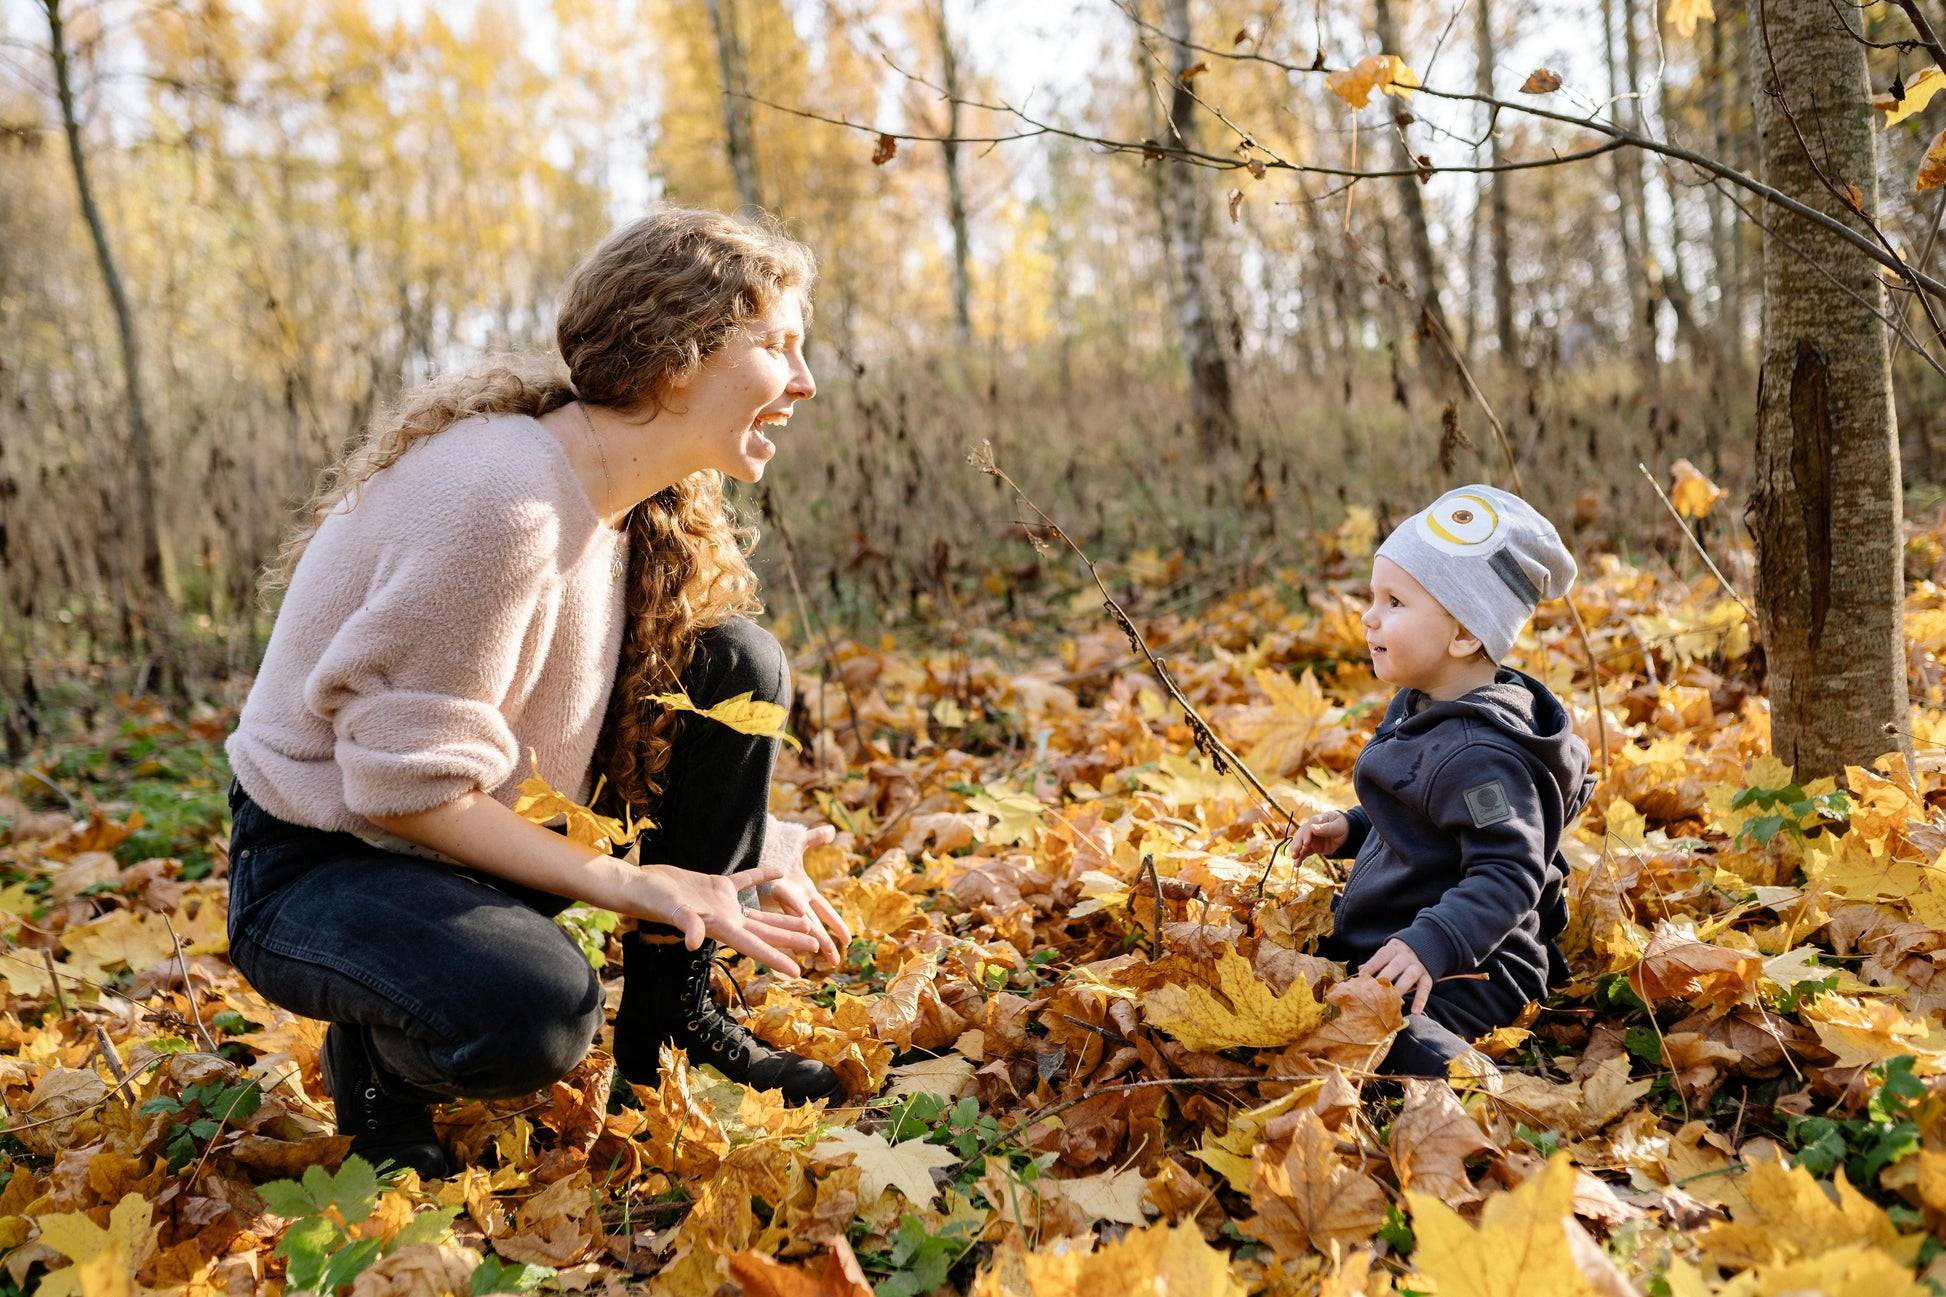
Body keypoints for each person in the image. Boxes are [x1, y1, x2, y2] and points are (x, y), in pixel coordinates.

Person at [224, 208, 855, 1179]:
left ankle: (668, 1039)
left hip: (459, 838)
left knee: (734, 662)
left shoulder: (627, 496)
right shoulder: (505, 503)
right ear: (676, 358)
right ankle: (380, 1064)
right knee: (537, 1010)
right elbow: (401, 791)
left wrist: (748, 844)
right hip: (321, 864)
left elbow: (578, 730)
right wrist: (634, 881)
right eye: (775, 346)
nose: (804, 381)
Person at [1292, 485, 1595, 1077]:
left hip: (1475, 962)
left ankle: (1487, 1093)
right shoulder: (1422, 704)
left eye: (1395, 603)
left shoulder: (1480, 756)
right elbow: (1428, 816)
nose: (1368, 616)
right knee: (1316, 996)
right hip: (1405, 938)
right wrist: (1354, 828)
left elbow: (1510, 869)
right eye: (1373, 597)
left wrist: (1433, 943)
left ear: (1463, 635)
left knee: (1383, 1036)